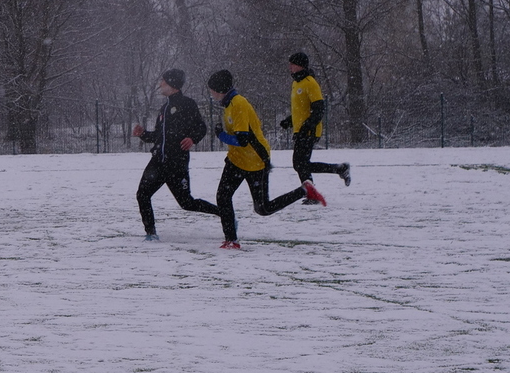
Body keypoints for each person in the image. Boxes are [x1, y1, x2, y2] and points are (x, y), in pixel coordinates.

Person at [207, 68, 326, 249]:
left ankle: (304, 190)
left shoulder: (238, 104)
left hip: (255, 160)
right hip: (236, 160)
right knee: (223, 197)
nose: (211, 93)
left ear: (219, 89)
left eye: (212, 89)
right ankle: (231, 240)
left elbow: (242, 140)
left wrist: (221, 135)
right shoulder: (229, 103)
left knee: (263, 208)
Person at [132, 68, 218, 240]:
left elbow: (201, 127)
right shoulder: (164, 108)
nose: (160, 84)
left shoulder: (187, 104)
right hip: (158, 161)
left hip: (176, 163)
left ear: (172, 84)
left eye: (163, 81)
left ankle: (225, 214)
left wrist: (192, 139)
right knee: (142, 194)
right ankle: (151, 234)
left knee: (187, 203)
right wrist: (143, 134)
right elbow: (158, 137)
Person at [279, 51, 351, 200]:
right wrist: (289, 121)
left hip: (309, 131)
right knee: (301, 164)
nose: (290, 67)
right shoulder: (296, 84)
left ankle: (312, 193)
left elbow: (319, 109)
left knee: (300, 164)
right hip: (300, 130)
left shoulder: (310, 83)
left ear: (300, 65)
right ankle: (339, 169)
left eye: (292, 64)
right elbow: (301, 109)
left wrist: (308, 126)